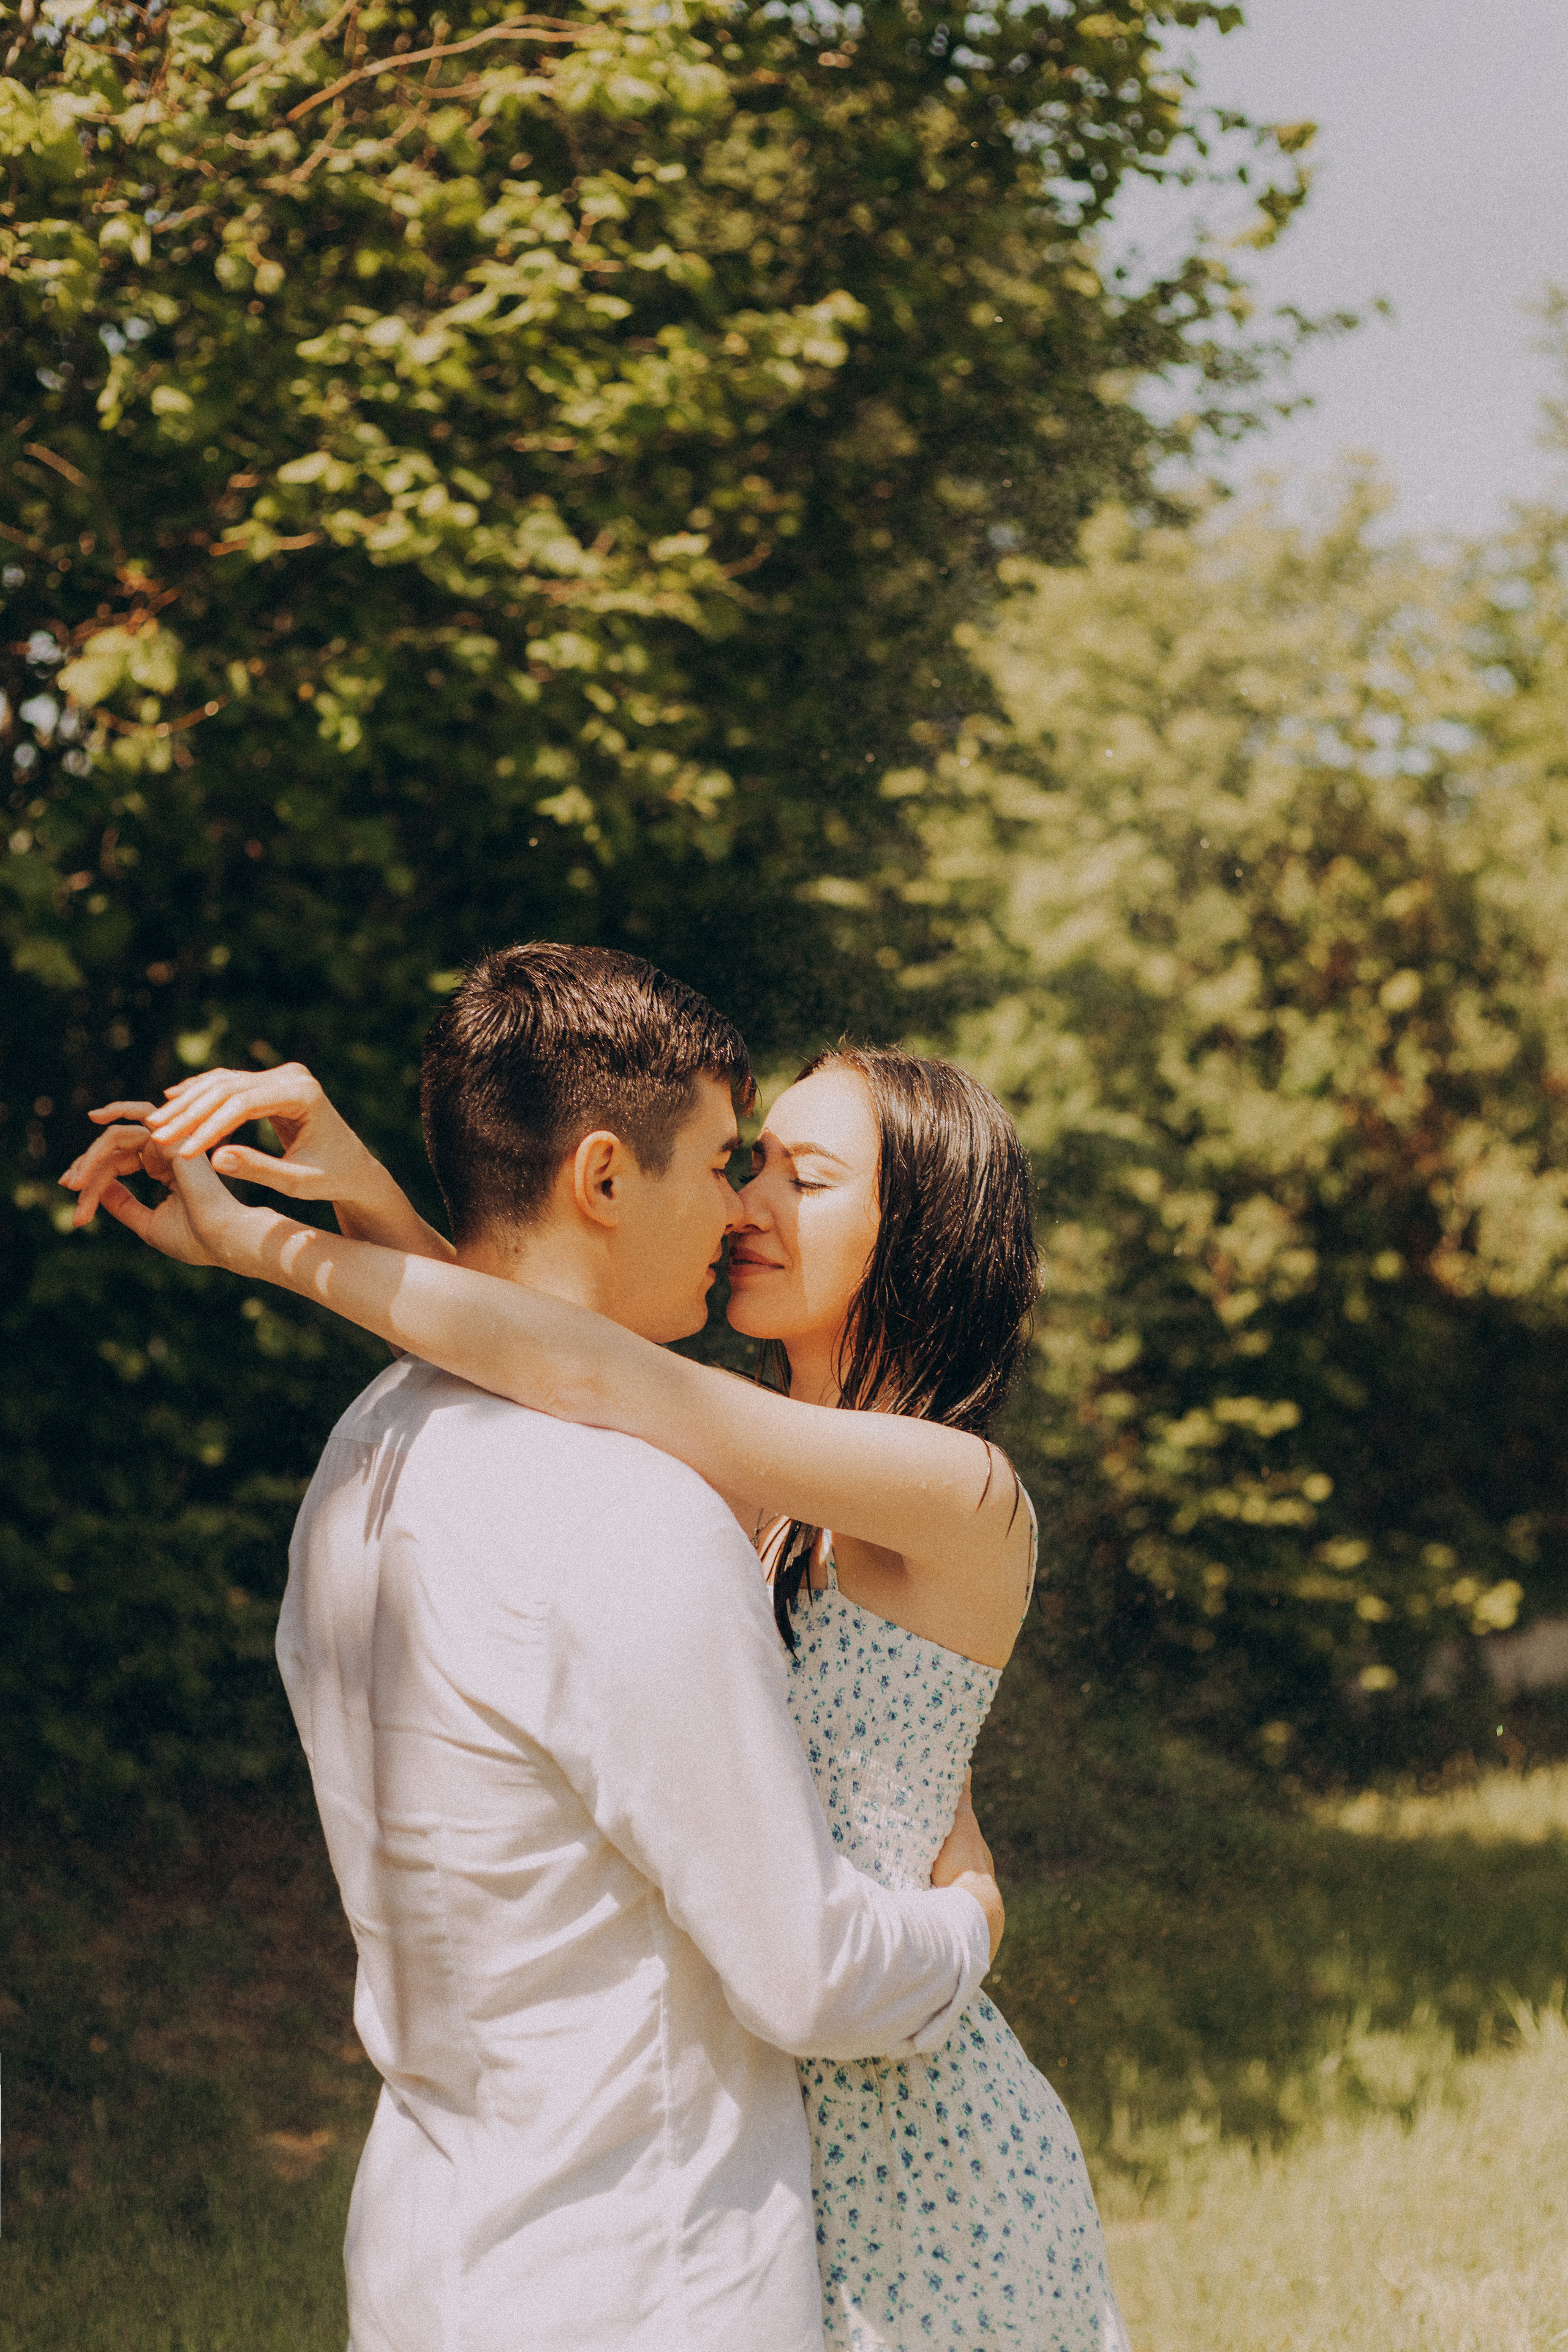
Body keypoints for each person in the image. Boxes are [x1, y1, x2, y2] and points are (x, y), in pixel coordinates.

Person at [64, 949, 1133, 2352]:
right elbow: (540, 1339)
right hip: (765, 2117)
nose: (744, 1202)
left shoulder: (956, 1492)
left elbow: (583, 1365)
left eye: (800, 1183)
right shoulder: (733, 1467)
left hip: (907, 2140)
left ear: (917, 1238)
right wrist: (377, 1191)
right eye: (744, 1162)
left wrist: (262, 1241)